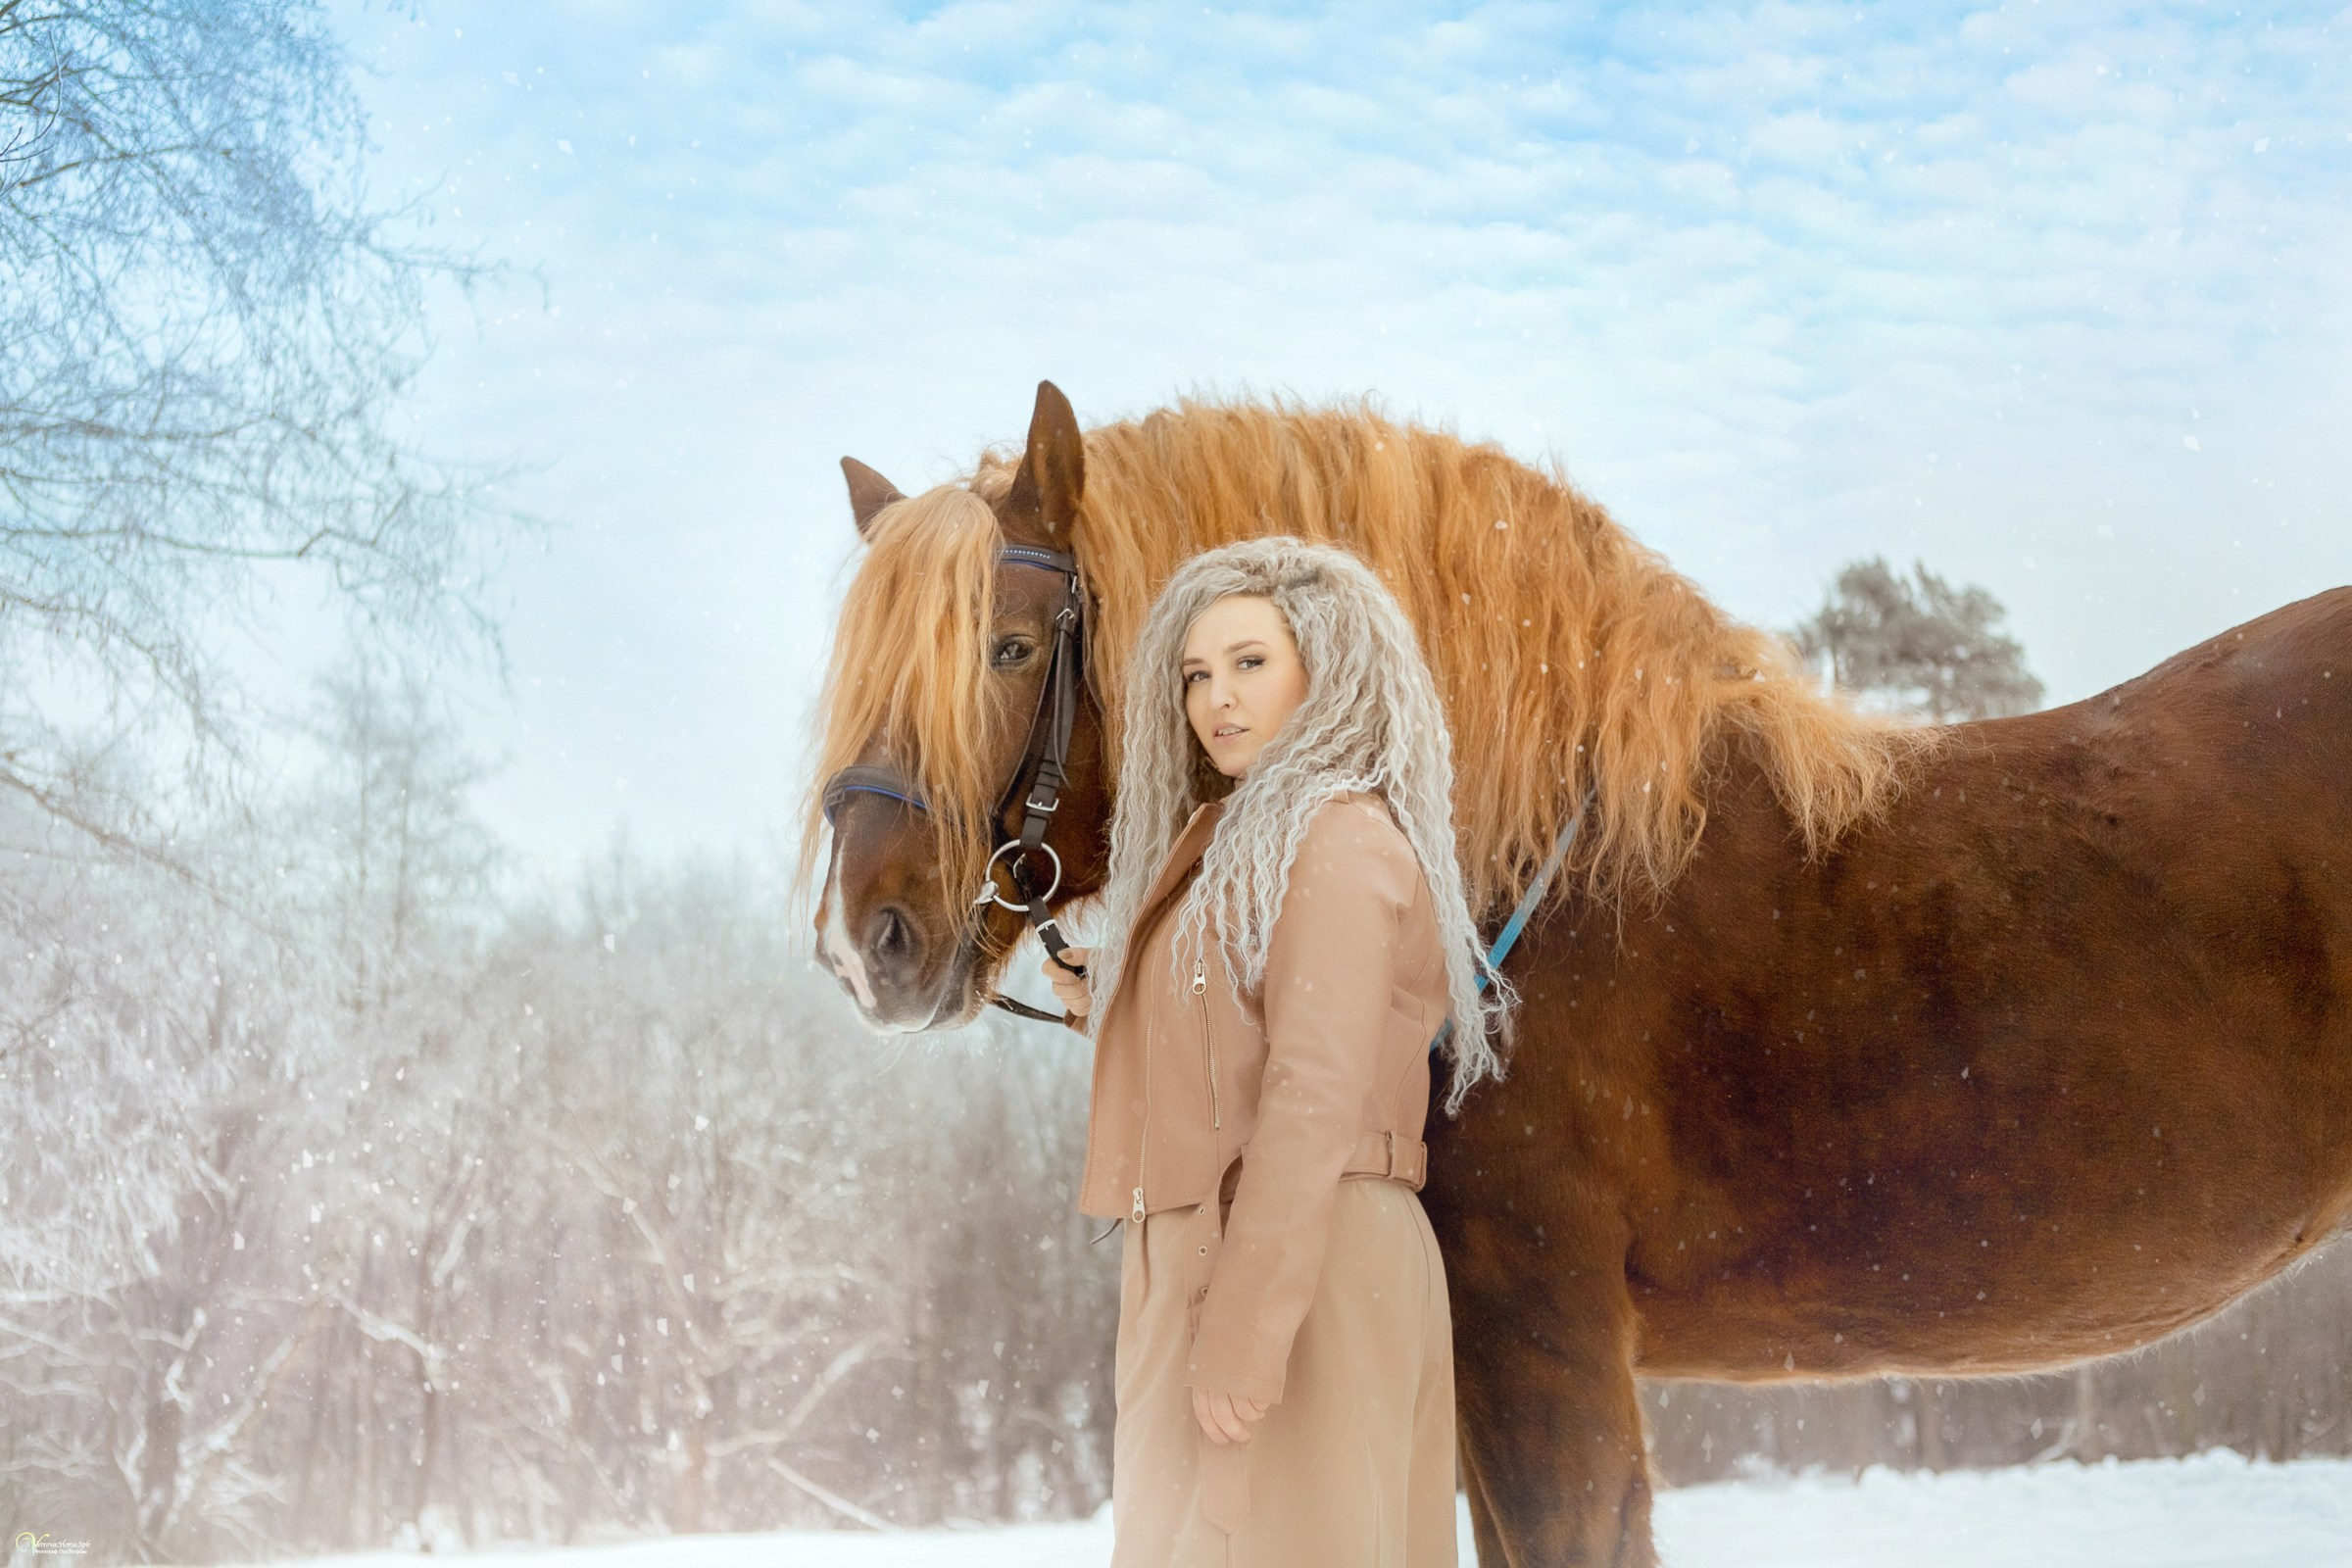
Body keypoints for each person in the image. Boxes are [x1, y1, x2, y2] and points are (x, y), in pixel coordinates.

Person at [1039, 535, 1517, 1566]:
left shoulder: (1334, 838)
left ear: (1326, 664)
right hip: (1221, 1264)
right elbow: (1238, 1041)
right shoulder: (1243, 840)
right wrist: (1112, 997)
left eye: (1250, 661)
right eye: (1197, 673)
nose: (1218, 696)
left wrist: (1248, 1330)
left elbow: (1313, 1097)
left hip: (1300, 1266)